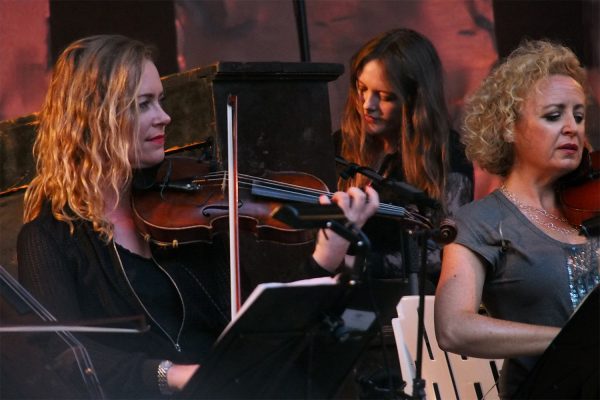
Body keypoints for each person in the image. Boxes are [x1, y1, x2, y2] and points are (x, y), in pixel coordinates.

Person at [16, 34, 379, 398]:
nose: (164, 117)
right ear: (95, 118)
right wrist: (171, 375)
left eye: (160, 101)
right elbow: (66, 356)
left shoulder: (185, 213)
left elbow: (259, 331)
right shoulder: (50, 239)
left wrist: (326, 258)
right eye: (143, 105)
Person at [434, 40, 600, 399]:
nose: (572, 127)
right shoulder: (479, 222)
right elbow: (453, 328)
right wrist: (572, 343)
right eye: (554, 116)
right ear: (509, 127)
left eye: (579, 115)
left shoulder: (593, 204)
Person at [334, 28, 473, 284]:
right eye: (361, 88)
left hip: (404, 301)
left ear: (415, 100)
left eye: (385, 97)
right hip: (338, 296)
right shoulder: (339, 145)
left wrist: (362, 263)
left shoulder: (447, 157)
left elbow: (447, 252)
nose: (367, 104)